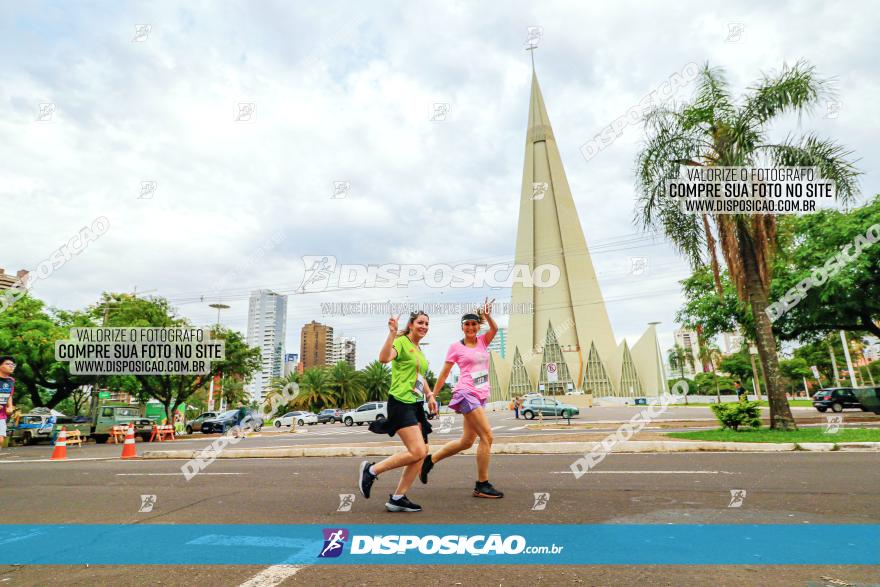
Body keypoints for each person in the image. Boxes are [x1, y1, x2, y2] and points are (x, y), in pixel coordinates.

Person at [419, 299, 504, 498]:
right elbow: (444, 372)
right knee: (488, 436)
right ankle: (482, 484)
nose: (471, 327)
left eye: (474, 324)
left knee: (466, 442)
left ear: (477, 326)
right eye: (467, 324)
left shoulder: (483, 341)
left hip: (481, 394)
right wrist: (432, 395)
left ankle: (430, 460)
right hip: (465, 393)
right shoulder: (455, 347)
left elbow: (495, 328)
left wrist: (488, 315)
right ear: (462, 327)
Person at [358, 311, 437, 512]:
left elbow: (420, 377)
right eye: (420, 322)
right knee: (418, 450)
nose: (424, 326)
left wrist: (430, 395)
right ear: (411, 325)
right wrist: (392, 333)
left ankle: (398, 498)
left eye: (427, 323)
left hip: (416, 404)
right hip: (400, 403)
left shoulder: (419, 349)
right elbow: (384, 358)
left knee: (421, 453)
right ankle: (372, 470)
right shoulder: (401, 342)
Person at [0, 356, 16, 451]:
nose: (11, 366)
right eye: (8, 364)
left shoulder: (11, 381)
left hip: (1, 414)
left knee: (1, 440)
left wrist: (10, 406)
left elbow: (10, 395)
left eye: (12, 364)